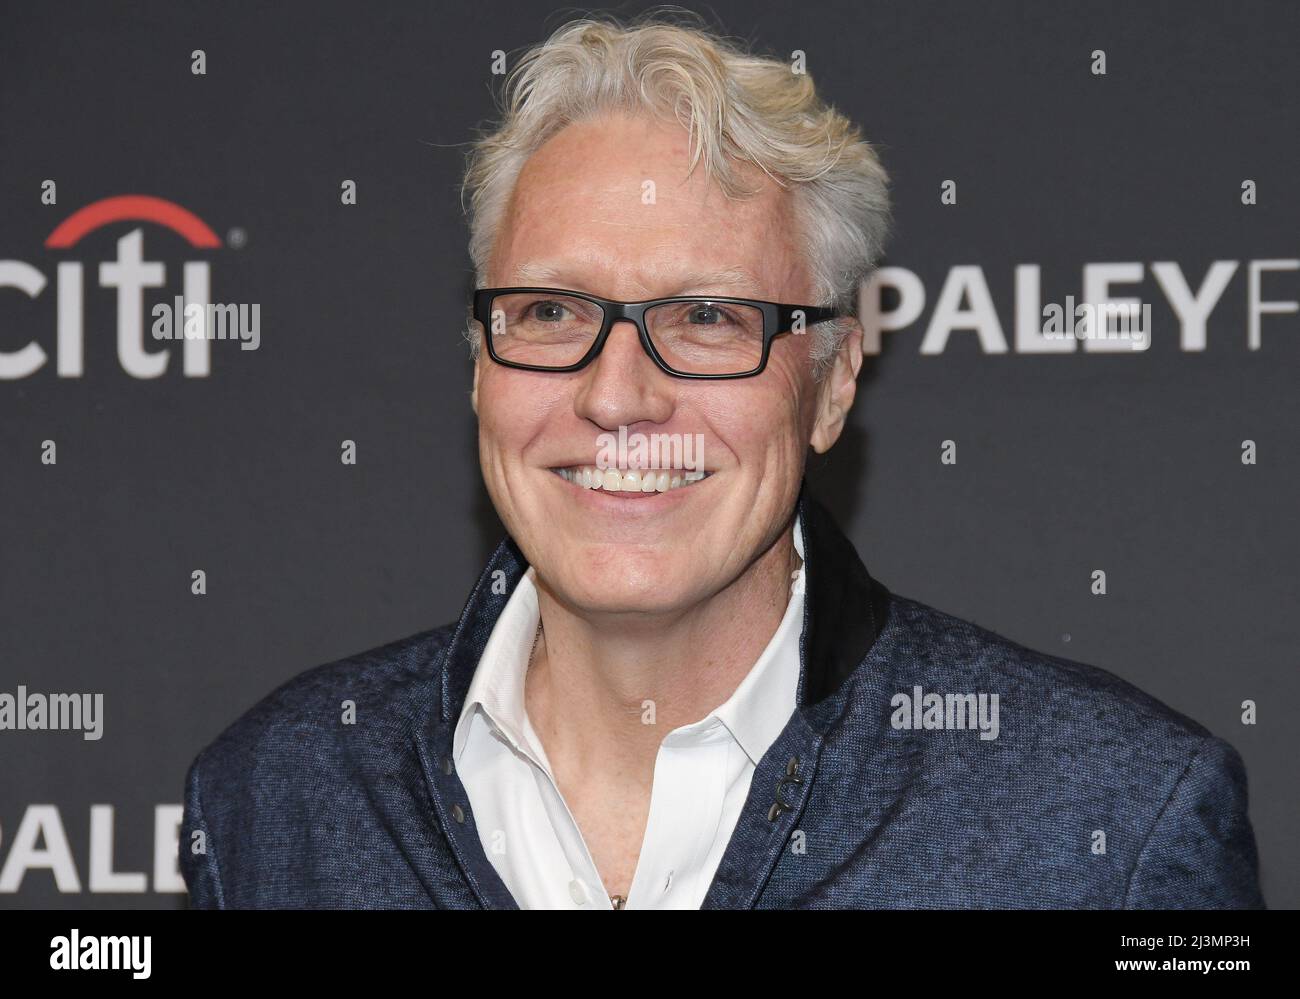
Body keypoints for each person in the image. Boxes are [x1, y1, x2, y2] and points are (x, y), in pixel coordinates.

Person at [179, 13, 1263, 909]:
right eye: (551, 310)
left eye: (704, 316)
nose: (615, 395)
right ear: (477, 366)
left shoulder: (1110, 822)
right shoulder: (277, 800)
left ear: (833, 381)